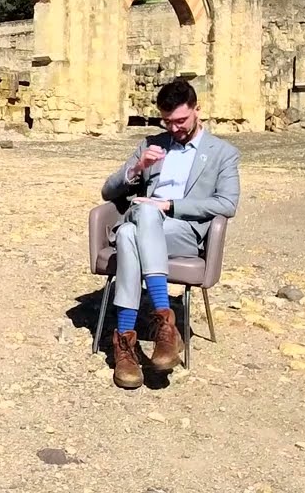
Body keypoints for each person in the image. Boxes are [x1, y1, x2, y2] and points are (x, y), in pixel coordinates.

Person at [99, 79, 240, 389]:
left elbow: (227, 203)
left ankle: (125, 341)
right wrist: (137, 169)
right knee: (133, 228)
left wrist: (171, 205)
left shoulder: (222, 153)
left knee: (129, 233)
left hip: (184, 231)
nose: (174, 128)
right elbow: (107, 191)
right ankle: (163, 328)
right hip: (144, 225)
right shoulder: (152, 144)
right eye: (168, 122)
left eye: (181, 121)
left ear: (197, 110)